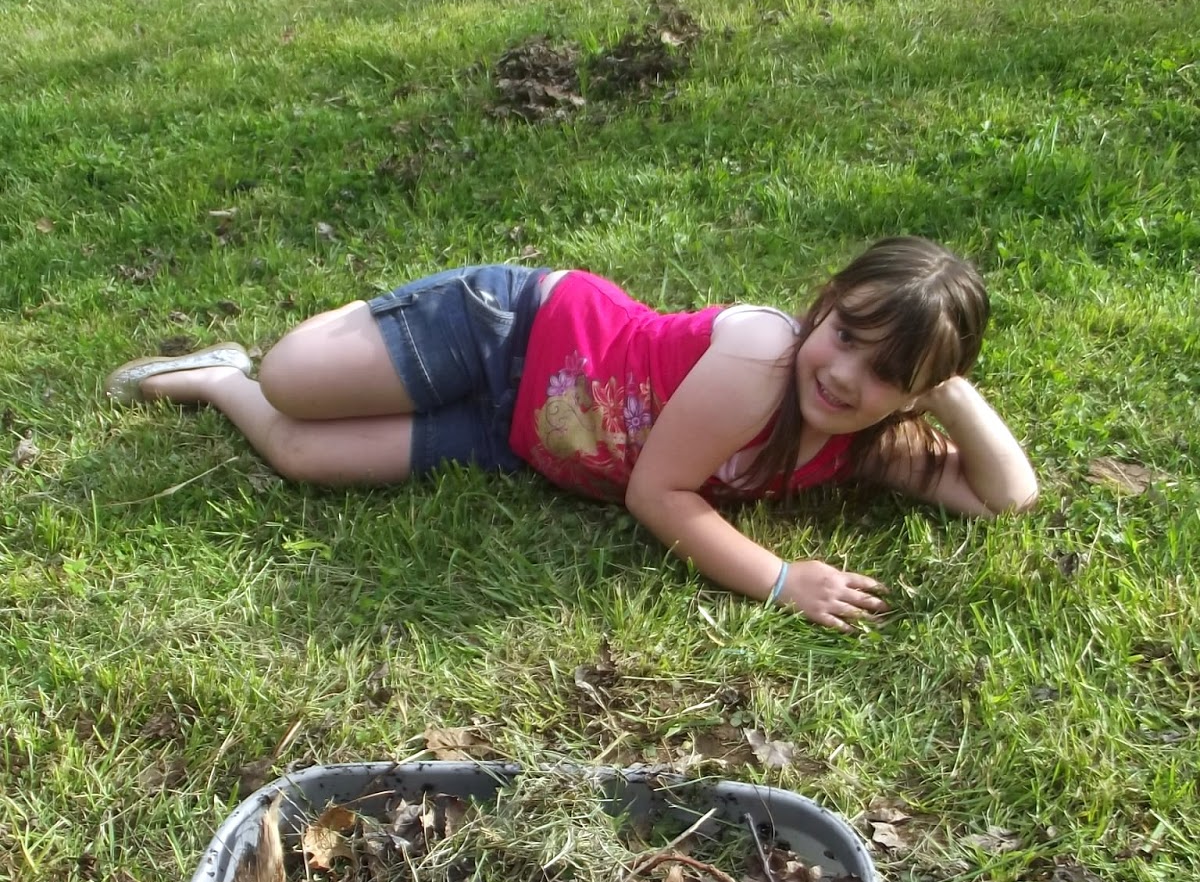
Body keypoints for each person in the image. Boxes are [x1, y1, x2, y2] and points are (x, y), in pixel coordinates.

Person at [105, 237, 1037, 631]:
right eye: (845, 335)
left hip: (520, 436)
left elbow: (1006, 496)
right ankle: (382, 321)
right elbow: (657, 494)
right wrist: (784, 579)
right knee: (296, 382)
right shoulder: (762, 353)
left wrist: (950, 396)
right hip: (506, 332)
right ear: (823, 305)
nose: (843, 375)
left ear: (915, 396)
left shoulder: (860, 438)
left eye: (887, 375)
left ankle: (218, 381)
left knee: (296, 451)